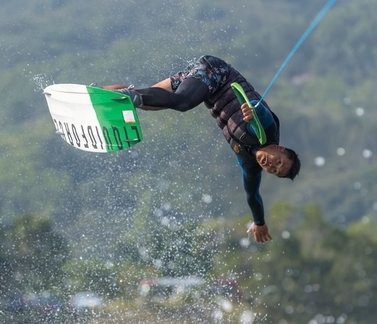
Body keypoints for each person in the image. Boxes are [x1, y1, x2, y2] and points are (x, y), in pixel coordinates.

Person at [104, 55, 301, 243]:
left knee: (147, 102)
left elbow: (253, 194)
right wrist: (253, 109)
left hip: (203, 87)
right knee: (182, 102)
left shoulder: (250, 164)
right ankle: (126, 97)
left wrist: (260, 223)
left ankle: (102, 96)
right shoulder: (266, 131)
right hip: (216, 72)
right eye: (278, 161)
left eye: (274, 171)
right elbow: (263, 113)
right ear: (280, 148)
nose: (271, 165)